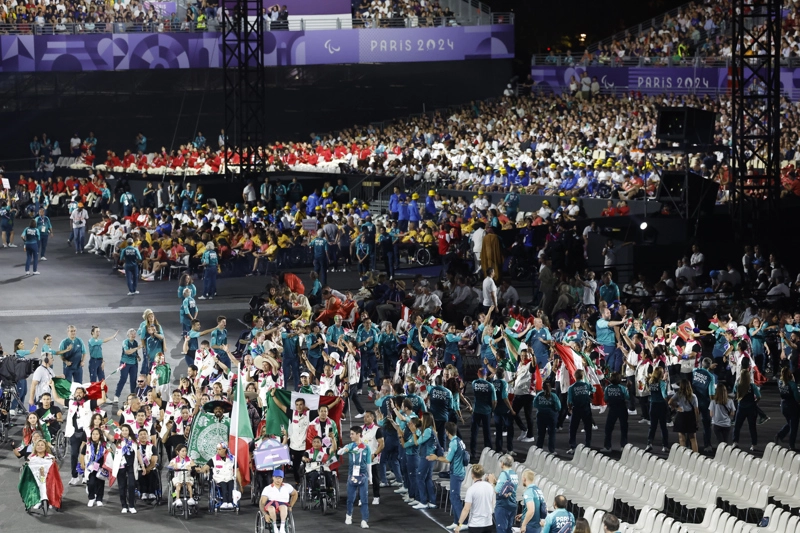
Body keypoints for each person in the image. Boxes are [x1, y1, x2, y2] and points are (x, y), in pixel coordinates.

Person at [427, 421, 467, 530]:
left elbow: (447, 459)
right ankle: (456, 521)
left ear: (447, 432)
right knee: (453, 497)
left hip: (457, 473)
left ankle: (462, 522)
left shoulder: (453, 443)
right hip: (460, 471)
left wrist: (436, 458)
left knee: (455, 497)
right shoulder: (459, 441)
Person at [338, 426, 372, 529]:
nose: (350, 435)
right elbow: (339, 453)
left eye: (352, 434)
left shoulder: (366, 447)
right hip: (352, 476)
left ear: (358, 434)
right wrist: (345, 449)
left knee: (364, 499)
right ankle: (349, 515)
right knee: (350, 499)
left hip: (363, 476)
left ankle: (364, 520)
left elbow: (368, 463)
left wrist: (370, 477)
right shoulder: (350, 446)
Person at [455, 464, 495, 533]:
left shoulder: (471, 489)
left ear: (472, 475)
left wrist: (459, 525)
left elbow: (466, 509)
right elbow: (493, 504)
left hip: (475, 525)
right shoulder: (490, 487)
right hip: (488, 524)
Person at [202, 442, 239, 509]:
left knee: (231, 486)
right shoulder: (213, 459)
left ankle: (230, 502)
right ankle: (225, 502)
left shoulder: (232, 458)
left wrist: (240, 484)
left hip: (229, 477)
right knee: (224, 486)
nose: (218, 451)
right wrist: (203, 469)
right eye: (217, 449)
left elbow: (237, 471)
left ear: (225, 449)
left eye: (220, 449)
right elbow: (207, 466)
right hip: (219, 478)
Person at [691, 358, 717, 453]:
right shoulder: (710, 376)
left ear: (702, 364)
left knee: (691, 423)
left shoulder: (694, 371)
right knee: (706, 425)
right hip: (704, 403)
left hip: (693, 401)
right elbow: (711, 394)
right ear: (709, 365)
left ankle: (688, 444)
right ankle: (707, 445)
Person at [470, 368, 496, 460]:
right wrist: (492, 409)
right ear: (486, 374)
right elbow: (494, 401)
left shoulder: (474, 383)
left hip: (476, 410)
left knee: (474, 433)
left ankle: (473, 453)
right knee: (487, 432)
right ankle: (488, 452)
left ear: (478, 373)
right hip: (486, 411)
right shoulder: (490, 386)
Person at [260, 468, 297, 533]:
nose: (278, 480)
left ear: (282, 479)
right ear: (273, 478)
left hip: (283, 504)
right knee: (271, 509)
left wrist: (291, 506)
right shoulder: (267, 488)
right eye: (276, 478)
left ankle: (282, 528)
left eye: (280, 478)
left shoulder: (287, 486)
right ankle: (275, 527)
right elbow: (262, 503)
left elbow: (295, 494)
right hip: (271, 504)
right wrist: (265, 514)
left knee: (284, 507)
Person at [732, 368, 761, 451]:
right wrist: (755, 402)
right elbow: (759, 396)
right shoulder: (752, 386)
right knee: (752, 427)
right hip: (751, 408)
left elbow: (734, 393)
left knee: (737, 426)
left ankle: (735, 442)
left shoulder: (738, 385)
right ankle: (754, 444)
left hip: (741, 408)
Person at [489, 454, 518, 533]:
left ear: (502, 463)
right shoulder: (514, 474)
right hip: (512, 504)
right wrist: (496, 482)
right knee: (509, 529)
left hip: (503, 505)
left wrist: (491, 483)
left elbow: (497, 491)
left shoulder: (504, 474)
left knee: (501, 529)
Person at [566, 369, 594, 454]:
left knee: (573, 428)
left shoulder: (571, 388)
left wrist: (569, 409)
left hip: (576, 409)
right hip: (586, 409)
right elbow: (593, 390)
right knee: (588, 427)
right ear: (583, 376)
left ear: (575, 377)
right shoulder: (587, 385)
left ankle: (573, 447)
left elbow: (569, 401)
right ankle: (588, 446)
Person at [79, 427, 108, 507]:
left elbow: (109, 454)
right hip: (90, 467)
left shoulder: (104, 445)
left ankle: (99, 499)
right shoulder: (88, 445)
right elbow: (82, 454)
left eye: (96, 434)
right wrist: (82, 464)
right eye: (93, 434)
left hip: (101, 467)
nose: (94, 436)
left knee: (100, 483)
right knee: (91, 483)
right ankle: (91, 498)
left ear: (100, 435)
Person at [669, 379, 700, 453]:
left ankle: (683, 455)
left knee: (681, 438)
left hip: (681, 416)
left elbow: (669, 402)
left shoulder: (678, 394)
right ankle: (696, 456)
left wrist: (677, 407)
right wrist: (697, 421)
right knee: (692, 438)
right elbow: (696, 410)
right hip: (690, 417)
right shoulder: (693, 396)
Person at [602, 372, 629, 452]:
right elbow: (627, 397)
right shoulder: (622, 388)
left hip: (612, 409)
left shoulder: (607, 388)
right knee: (624, 427)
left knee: (608, 428)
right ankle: (623, 446)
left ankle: (607, 447)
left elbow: (605, 399)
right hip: (622, 408)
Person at [644, 366, 670, 453]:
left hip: (652, 405)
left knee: (652, 426)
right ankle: (665, 446)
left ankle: (649, 443)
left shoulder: (650, 382)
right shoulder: (661, 383)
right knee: (663, 427)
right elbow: (664, 395)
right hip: (661, 406)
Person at [777, 366, 800, 450]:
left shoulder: (780, 382)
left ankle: (780, 435)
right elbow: (797, 397)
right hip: (792, 406)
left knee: (790, 423)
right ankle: (791, 444)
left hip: (783, 406)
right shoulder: (792, 384)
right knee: (794, 426)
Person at [534, 383, 561, 453]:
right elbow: (559, 407)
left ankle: (539, 449)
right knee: (551, 434)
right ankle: (551, 450)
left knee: (540, 434)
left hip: (540, 415)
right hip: (551, 416)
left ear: (542, 388)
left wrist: (541, 408)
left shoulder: (539, 395)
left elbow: (534, 404)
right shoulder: (554, 396)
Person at [518, 469, 547, 533]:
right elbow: (540, 507)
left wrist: (523, 525)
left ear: (524, 479)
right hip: (538, 526)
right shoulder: (538, 490)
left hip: (530, 526)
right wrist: (524, 515)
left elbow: (531, 511)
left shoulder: (529, 491)